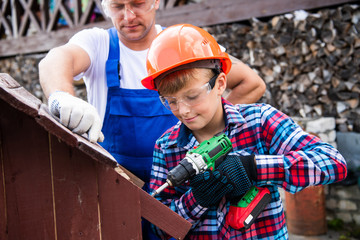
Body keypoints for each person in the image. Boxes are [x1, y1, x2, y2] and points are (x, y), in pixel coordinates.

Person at [141, 24, 348, 239]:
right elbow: (160, 227)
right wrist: (197, 199)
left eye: (192, 96)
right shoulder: (167, 147)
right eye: (171, 101)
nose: (183, 110)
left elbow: (333, 163)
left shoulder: (259, 122)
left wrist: (253, 168)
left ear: (220, 83)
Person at [39, 0, 265, 185]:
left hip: (183, 183)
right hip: (115, 183)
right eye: (118, 7)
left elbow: (251, 83)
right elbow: (54, 61)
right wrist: (62, 97)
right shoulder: (98, 44)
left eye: (137, 3)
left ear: (156, 2)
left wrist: (213, 136)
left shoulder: (182, 43)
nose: (128, 16)